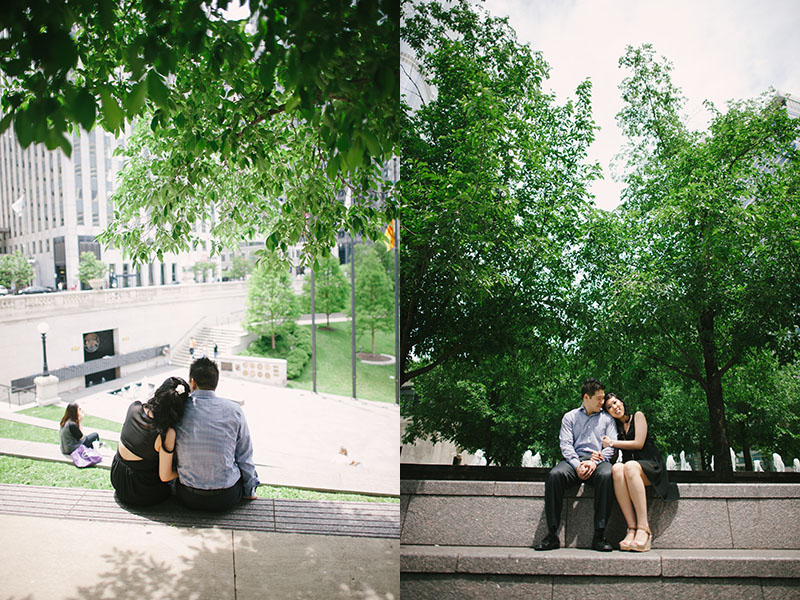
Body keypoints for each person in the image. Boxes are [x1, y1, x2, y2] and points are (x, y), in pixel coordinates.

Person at [534, 378, 618, 552]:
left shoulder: (608, 420)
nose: (603, 402)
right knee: (554, 476)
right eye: (599, 398)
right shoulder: (569, 417)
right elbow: (565, 446)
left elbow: (611, 447)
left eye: (603, 398)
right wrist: (577, 464)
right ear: (586, 397)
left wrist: (594, 462)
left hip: (598, 461)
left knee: (607, 475)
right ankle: (552, 535)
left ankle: (599, 535)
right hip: (574, 461)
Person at [175, 356, 259, 511]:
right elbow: (244, 456)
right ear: (216, 383)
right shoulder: (234, 410)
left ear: (192, 382)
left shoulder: (179, 409)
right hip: (226, 497)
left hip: (187, 495)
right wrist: (249, 490)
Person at [601, 392, 679, 552]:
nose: (614, 407)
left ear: (622, 402)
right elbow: (612, 454)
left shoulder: (638, 416)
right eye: (609, 407)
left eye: (615, 403)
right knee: (617, 468)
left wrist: (612, 443)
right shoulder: (614, 428)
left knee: (629, 466)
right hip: (632, 469)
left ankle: (644, 529)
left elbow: (638, 443)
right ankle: (631, 528)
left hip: (651, 465)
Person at [110, 377, 189, 506]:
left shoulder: (134, 408)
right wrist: (185, 473)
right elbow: (165, 476)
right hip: (141, 490)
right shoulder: (166, 433)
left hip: (118, 476)